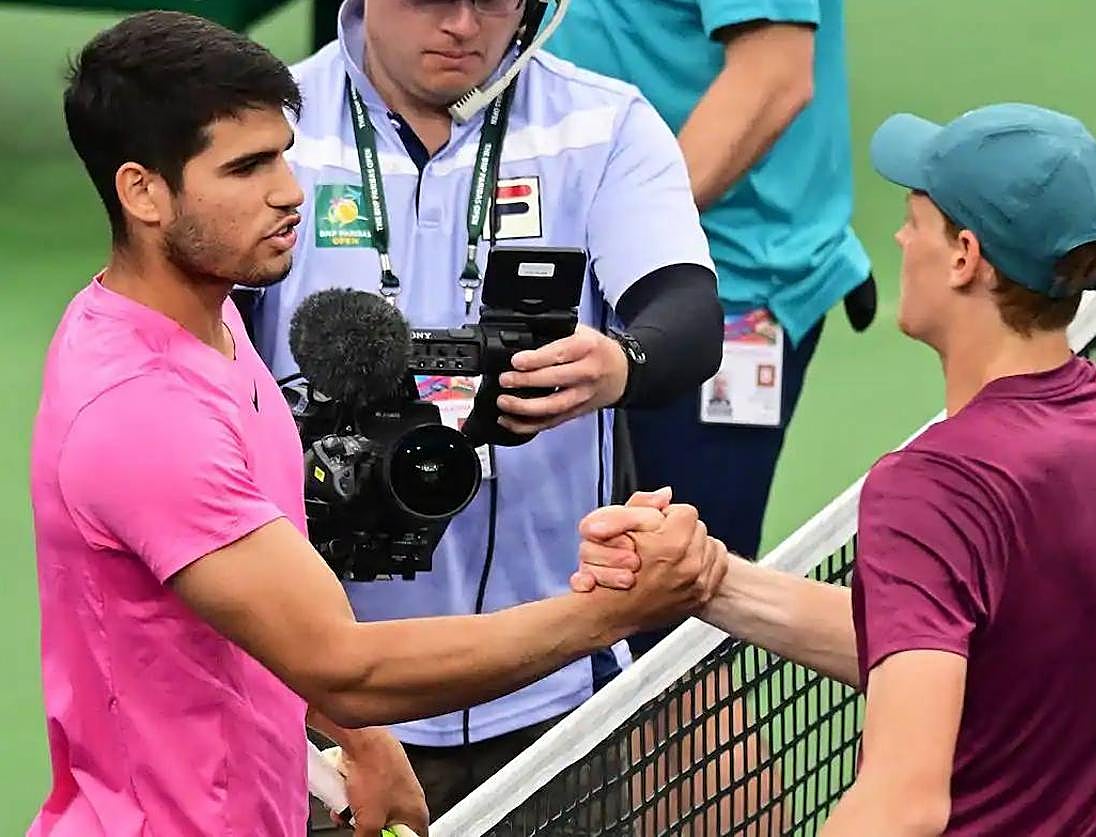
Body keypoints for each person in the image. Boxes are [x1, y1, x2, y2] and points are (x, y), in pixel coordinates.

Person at [28, 11, 724, 836]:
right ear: (142, 191)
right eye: (247, 167)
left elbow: (267, 614)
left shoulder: (211, 333)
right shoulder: (143, 412)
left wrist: (359, 735)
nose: (290, 191)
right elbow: (343, 664)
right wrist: (614, 612)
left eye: (282, 155)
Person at [577, 103, 1096, 834]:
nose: (898, 238)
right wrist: (709, 577)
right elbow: (940, 645)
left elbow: (901, 806)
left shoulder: (934, 487)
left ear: (964, 256)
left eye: (914, 219)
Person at [244, 0, 725, 817]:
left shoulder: (602, 124)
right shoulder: (270, 129)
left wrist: (620, 363)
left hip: (551, 691)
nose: (465, 25)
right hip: (323, 702)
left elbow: (687, 312)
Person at [548, 0, 877, 600]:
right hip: (591, 277)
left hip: (718, 293)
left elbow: (773, 76)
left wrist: (626, 230)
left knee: (677, 606)